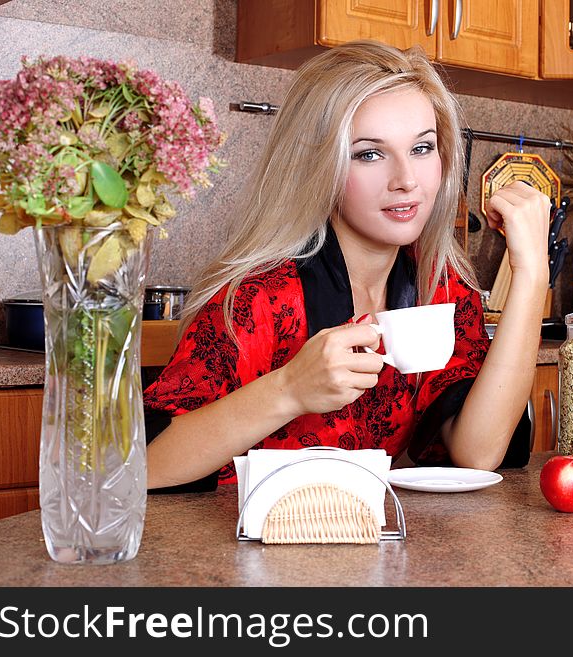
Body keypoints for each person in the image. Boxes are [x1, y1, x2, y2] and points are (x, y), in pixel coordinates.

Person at [143, 40, 551, 491]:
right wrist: (290, 389)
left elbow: (477, 453)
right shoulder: (259, 297)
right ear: (321, 165)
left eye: (421, 148)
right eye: (369, 154)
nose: (407, 181)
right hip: (249, 551)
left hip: (378, 550)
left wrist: (532, 274)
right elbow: (140, 465)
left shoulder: (439, 287)